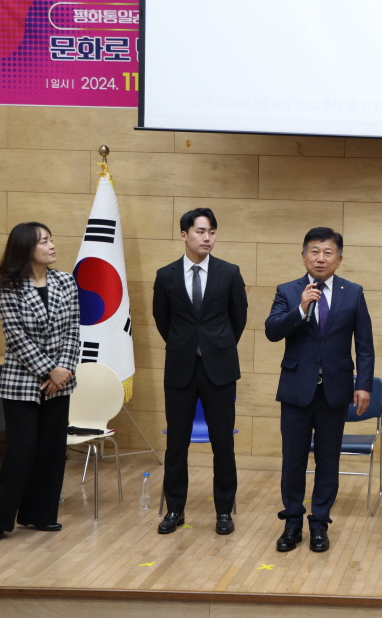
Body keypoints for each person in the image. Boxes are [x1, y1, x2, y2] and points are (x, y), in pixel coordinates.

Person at [265, 227, 374, 553]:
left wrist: (363, 385)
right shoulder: (288, 290)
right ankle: (292, 523)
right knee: (293, 460)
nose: (321, 258)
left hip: (335, 391)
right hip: (296, 390)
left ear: (339, 259)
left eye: (328, 252)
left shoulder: (353, 293)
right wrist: (300, 309)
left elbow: (364, 345)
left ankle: (319, 524)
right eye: (314, 251)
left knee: (328, 460)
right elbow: (272, 331)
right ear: (303, 256)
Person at [152, 208, 248, 536]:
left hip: (219, 370)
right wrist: (185, 345)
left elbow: (238, 318)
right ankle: (174, 509)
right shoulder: (166, 275)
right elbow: (162, 319)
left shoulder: (229, 273)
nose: (207, 238)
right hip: (180, 369)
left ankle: (223, 511)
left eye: (212, 232)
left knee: (223, 444)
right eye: (200, 231)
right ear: (184, 235)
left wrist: (216, 346)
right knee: (176, 444)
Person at [0, 223, 80, 540]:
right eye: (43, 241)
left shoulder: (66, 281)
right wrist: (49, 370)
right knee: (21, 452)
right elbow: (16, 338)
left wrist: (63, 370)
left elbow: (74, 331)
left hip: (60, 382)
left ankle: (40, 515)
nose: (51, 246)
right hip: (22, 383)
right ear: (26, 248)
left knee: (52, 452)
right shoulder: (9, 288)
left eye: (51, 239)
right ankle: (0, 521)